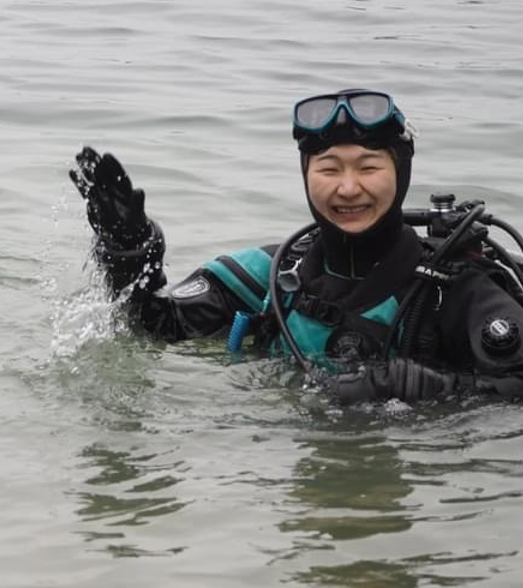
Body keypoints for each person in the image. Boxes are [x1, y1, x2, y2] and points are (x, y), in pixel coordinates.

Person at [69, 90, 523, 403]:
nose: (348, 188)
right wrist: (129, 252)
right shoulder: (269, 276)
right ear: (306, 175)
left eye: (368, 167)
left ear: (401, 172)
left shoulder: (452, 291)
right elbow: (153, 327)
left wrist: (424, 388)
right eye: (329, 169)